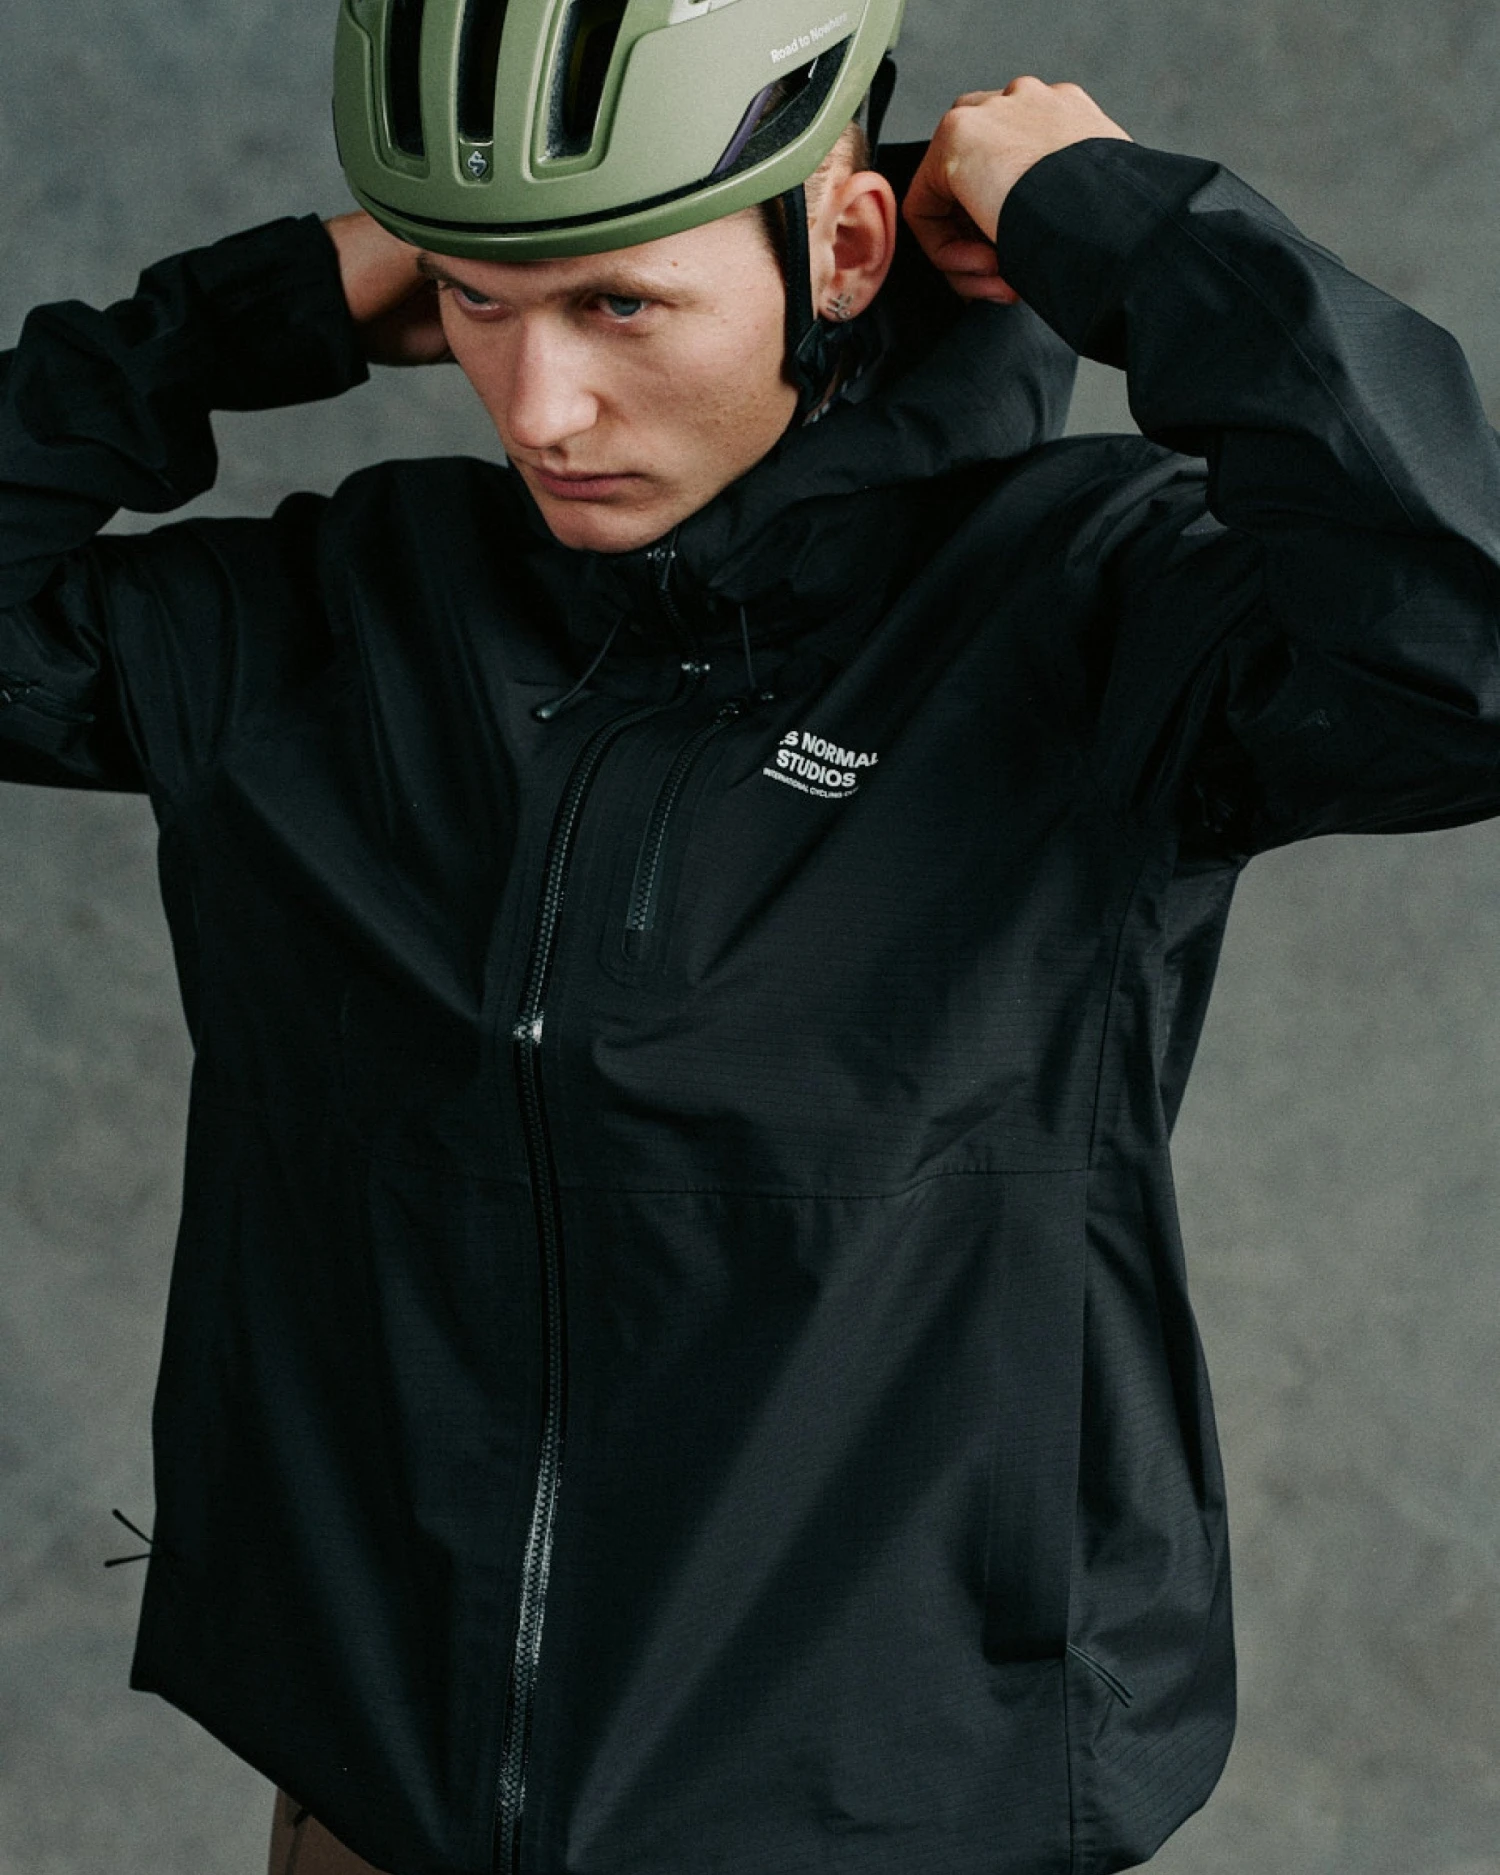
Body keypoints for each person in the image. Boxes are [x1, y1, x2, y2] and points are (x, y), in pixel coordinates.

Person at [3, 0, 1498, 1870]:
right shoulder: (341, 622)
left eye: (619, 303)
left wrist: (1130, 227)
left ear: (845, 248)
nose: (537, 406)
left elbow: (1468, 652)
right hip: (378, 1810)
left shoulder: (1078, 612)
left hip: (884, 1818)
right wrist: (249, 311)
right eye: (478, 302)